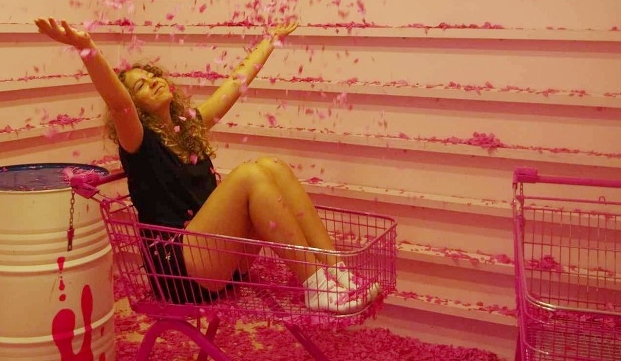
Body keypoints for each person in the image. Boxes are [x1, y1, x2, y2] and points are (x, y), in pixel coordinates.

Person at [35, 17, 379, 314]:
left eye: (153, 76)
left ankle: (337, 271)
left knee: (272, 166)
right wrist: (86, 47)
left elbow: (235, 85)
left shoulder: (188, 128)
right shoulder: (138, 142)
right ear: (136, 106)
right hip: (181, 273)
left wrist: (270, 40)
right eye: (141, 85)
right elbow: (118, 103)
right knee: (248, 175)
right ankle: (317, 286)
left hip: (219, 259)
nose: (153, 81)